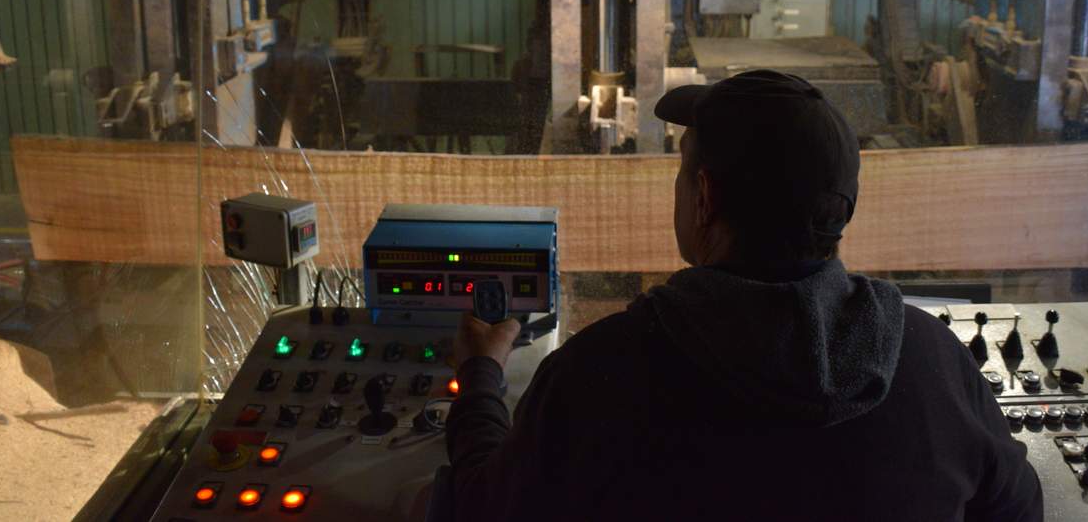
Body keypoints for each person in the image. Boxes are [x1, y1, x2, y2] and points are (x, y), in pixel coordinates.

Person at [446, 69, 1042, 521]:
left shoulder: (596, 374)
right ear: (842, 210)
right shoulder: (933, 359)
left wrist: (479, 376)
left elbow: (480, 508)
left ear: (703, 198)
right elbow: (1019, 509)